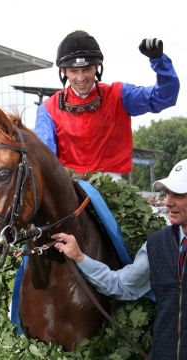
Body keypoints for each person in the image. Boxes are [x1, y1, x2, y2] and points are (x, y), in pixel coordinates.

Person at [51, 158, 187, 360]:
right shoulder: (156, 245)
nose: (168, 201)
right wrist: (80, 257)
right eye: (167, 193)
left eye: (178, 194)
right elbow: (122, 285)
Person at [34, 31, 180, 180]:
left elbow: (164, 97)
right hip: (67, 186)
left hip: (111, 184)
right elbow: (44, 157)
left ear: (96, 67)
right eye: (73, 71)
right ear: (63, 71)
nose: (80, 77)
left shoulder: (120, 95)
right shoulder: (47, 109)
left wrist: (159, 61)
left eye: (86, 69)